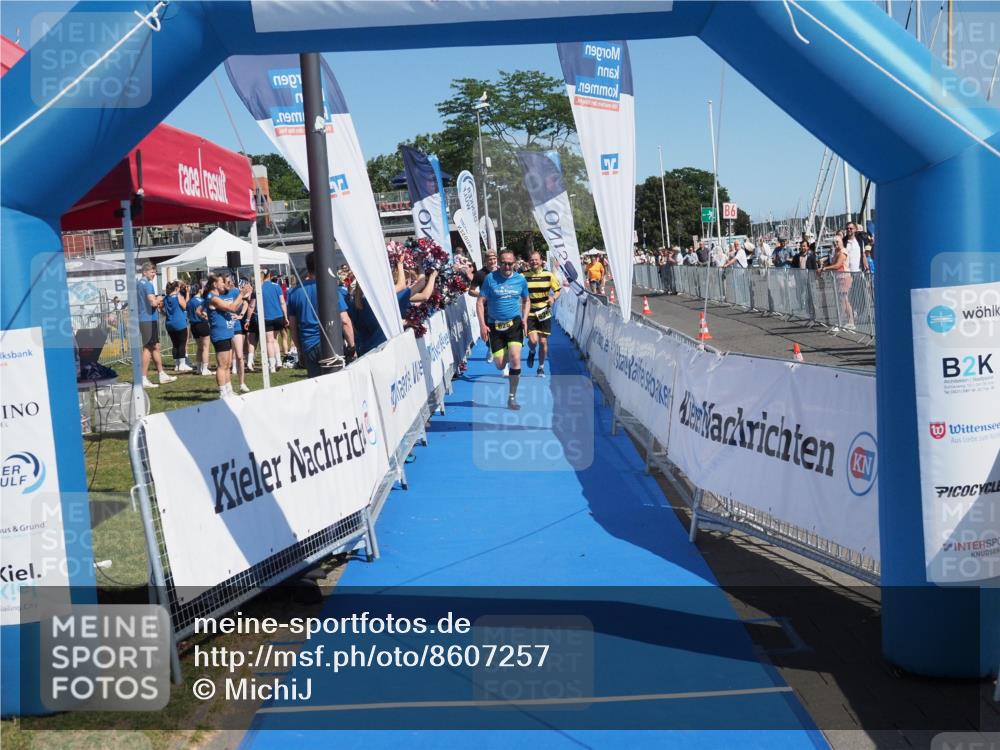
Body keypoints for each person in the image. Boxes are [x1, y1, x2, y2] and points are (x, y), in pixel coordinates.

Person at [287, 252, 355, 378]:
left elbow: (293, 326)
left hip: (308, 346)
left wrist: (300, 350)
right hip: (331, 344)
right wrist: (352, 346)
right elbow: (345, 321)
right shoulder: (331, 289)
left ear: (308, 268)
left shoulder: (294, 293)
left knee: (317, 389)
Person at [477, 249, 530, 410]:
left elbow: (526, 300)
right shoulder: (490, 279)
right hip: (495, 326)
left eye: (510, 263)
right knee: (500, 365)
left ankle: (512, 397)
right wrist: (482, 325)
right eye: (504, 263)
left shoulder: (520, 280)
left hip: (514, 324)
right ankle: (506, 350)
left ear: (514, 263)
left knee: (515, 358)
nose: (507, 266)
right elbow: (480, 302)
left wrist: (525, 319)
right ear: (499, 263)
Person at [204, 272, 250, 398]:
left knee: (228, 364)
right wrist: (241, 294)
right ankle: (222, 392)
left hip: (226, 333)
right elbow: (232, 307)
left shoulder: (215, 296)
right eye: (222, 282)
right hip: (220, 335)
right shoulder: (213, 298)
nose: (224, 284)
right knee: (222, 365)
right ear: (215, 284)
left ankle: (229, 390)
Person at [136, 262, 175, 388]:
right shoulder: (147, 285)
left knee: (156, 346)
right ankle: (143, 378)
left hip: (145, 318)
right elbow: (153, 303)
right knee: (148, 348)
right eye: (152, 272)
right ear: (145, 272)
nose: (153, 275)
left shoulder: (139, 284)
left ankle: (161, 374)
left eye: (154, 272)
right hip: (148, 319)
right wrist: (161, 298)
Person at [523, 251, 561, 377]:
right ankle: (532, 351)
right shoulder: (523, 276)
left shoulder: (548, 275)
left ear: (541, 261)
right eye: (532, 260)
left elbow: (557, 291)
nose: (534, 262)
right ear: (529, 262)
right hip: (530, 312)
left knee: (543, 342)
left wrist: (553, 298)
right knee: (533, 341)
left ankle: (541, 367)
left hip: (544, 311)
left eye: (536, 260)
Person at [818, 235, 855, 329]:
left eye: (837, 242)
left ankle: (842, 321)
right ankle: (848, 321)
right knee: (844, 300)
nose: (835, 244)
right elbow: (833, 263)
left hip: (844, 277)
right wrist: (824, 264)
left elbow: (838, 265)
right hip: (839, 277)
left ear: (841, 241)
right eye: (834, 243)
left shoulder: (843, 251)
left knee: (844, 300)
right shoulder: (836, 252)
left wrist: (825, 268)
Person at [221, 275, 251, 392]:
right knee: (227, 359)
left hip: (236, 326)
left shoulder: (235, 292)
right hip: (225, 327)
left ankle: (242, 383)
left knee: (239, 355)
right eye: (226, 281)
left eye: (230, 281)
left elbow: (245, 303)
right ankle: (228, 386)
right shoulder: (219, 295)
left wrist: (241, 315)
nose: (228, 283)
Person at [259, 268, 289, 372]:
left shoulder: (260, 287)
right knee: (275, 339)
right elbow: (282, 302)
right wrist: (285, 316)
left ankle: (272, 365)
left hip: (267, 317)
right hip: (278, 316)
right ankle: (278, 361)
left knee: (269, 341)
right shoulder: (276, 286)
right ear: (270, 275)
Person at [163, 280, 193, 372]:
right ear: (176, 288)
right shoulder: (178, 296)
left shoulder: (166, 298)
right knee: (182, 344)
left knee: (175, 344)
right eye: (179, 288)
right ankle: (182, 364)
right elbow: (185, 306)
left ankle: (176, 365)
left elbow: (161, 309)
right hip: (179, 323)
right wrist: (187, 294)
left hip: (169, 323)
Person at [187, 280, 212, 375]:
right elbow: (204, 313)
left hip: (193, 326)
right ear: (199, 290)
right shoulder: (202, 301)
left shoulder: (189, 302)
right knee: (205, 347)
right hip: (202, 324)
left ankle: (198, 368)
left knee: (199, 348)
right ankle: (205, 368)